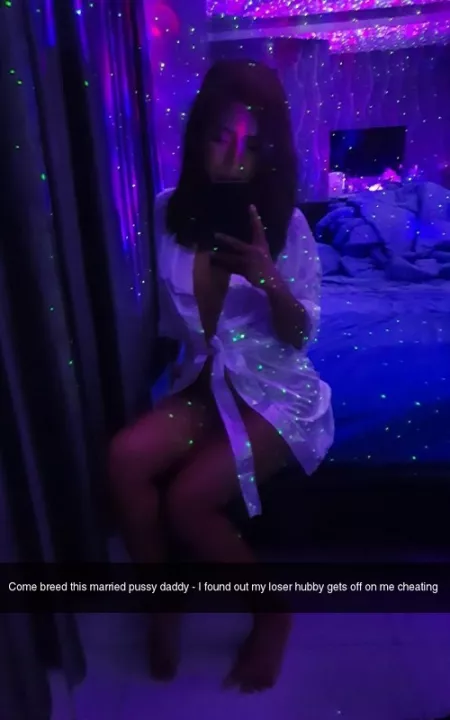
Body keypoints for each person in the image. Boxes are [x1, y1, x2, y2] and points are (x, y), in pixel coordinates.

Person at [109, 59, 334, 692]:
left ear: (269, 153)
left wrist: (271, 281)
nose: (234, 160)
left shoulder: (287, 223)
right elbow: (160, 320)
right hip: (203, 386)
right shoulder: (163, 214)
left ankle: (271, 614)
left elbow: (301, 335)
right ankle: (162, 602)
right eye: (221, 138)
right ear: (199, 135)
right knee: (124, 459)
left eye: (252, 146)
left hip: (275, 394)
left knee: (188, 501)